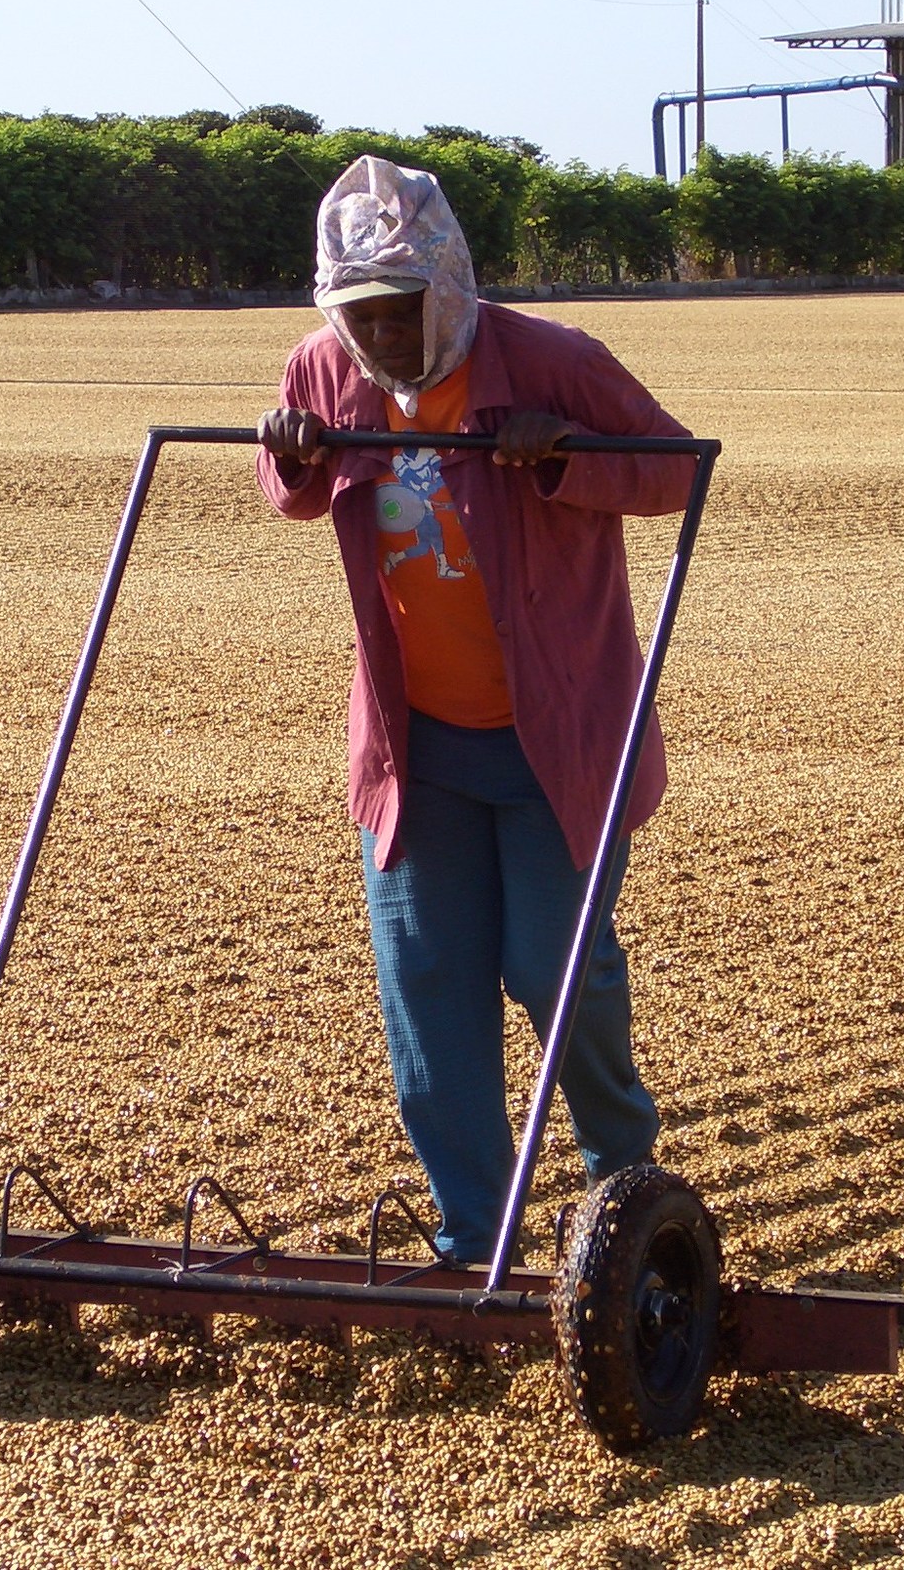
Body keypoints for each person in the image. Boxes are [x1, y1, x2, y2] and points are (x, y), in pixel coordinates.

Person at [254, 155, 698, 1266]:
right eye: (363, 317)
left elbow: (674, 469)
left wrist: (565, 456)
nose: (387, 341)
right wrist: (291, 455)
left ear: (450, 291)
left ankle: (622, 1186)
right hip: (418, 748)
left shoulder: (553, 359)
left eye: (405, 314)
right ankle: (476, 1241)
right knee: (430, 989)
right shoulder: (325, 368)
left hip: (558, 737)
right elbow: (292, 486)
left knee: (554, 968)